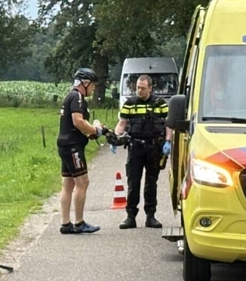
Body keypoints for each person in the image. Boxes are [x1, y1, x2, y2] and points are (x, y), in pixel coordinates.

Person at [114, 74, 172, 229]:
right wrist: (116, 136)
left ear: (150, 88)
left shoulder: (160, 103)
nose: (139, 90)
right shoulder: (129, 104)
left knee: (151, 183)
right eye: (138, 87)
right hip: (135, 147)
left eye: (143, 88)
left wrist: (168, 141)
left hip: (154, 148)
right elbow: (122, 123)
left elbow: (168, 124)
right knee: (133, 182)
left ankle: (150, 216)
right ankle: (130, 216)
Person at [56, 67, 103, 234]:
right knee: (82, 182)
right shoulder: (77, 97)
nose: (93, 88)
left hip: (65, 144)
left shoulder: (70, 96)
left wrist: (90, 132)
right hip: (72, 146)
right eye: (92, 85)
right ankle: (79, 222)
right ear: (85, 83)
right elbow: (77, 121)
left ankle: (65, 223)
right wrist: (95, 131)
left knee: (68, 184)